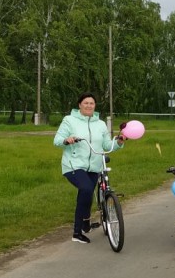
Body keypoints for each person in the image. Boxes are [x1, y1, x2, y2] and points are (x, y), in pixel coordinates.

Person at [53, 93, 126, 244]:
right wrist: (67, 140)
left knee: (87, 194)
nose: (89, 106)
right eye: (85, 103)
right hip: (73, 164)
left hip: (94, 166)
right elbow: (57, 140)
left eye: (91, 103)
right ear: (79, 105)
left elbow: (107, 145)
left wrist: (119, 142)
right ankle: (77, 232)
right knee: (86, 189)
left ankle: (86, 223)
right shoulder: (69, 120)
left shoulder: (100, 124)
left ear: (95, 106)